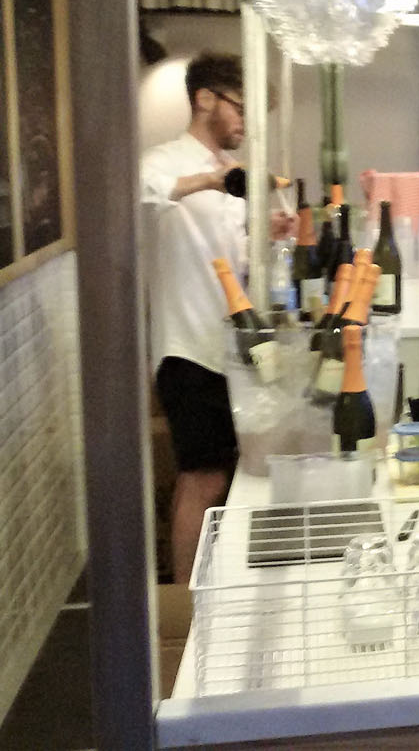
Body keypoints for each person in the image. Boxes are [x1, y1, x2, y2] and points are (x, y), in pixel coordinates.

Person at [140, 52, 293, 583]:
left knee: (229, 472)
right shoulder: (163, 161)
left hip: (228, 346)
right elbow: (142, 196)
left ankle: (215, 584)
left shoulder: (230, 174)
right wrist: (211, 181)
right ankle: (183, 602)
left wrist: (266, 235)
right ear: (206, 99)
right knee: (201, 476)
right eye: (242, 109)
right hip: (186, 347)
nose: (247, 125)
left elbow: (233, 257)